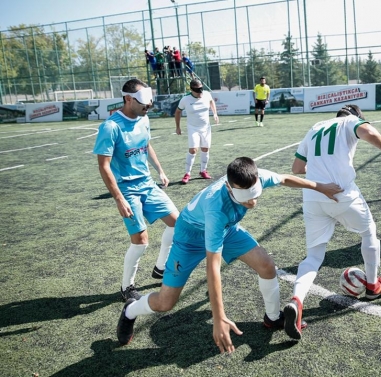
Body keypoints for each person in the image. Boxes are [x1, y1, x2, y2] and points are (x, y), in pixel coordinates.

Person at [116, 157, 343, 353]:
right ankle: (131, 310)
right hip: (190, 237)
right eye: (246, 197)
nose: (252, 201)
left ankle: (273, 318)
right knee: (166, 302)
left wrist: (320, 186)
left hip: (227, 229)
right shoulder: (217, 208)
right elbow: (213, 268)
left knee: (266, 265)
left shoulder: (255, 175)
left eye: (255, 194)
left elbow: (284, 178)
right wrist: (219, 317)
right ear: (229, 187)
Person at [283, 104, 381, 340]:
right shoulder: (350, 122)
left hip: (313, 196)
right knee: (369, 232)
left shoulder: (316, 126)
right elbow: (367, 131)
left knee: (313, 257)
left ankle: (296, 301)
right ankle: (372, 287)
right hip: (341, 194)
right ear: (356, 116)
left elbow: (297, 168)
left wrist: (319, 170)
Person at [93, 78, 179, 301]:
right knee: (141, 241)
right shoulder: (110, 127)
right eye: (144, 104)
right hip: (127, 190)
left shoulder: (144, 118)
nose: (147, 108)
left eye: (149, 104)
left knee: (178, 224)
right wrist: (119, 198)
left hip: (147, 184)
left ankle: (161, 268)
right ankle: (127, 287)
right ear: (128, 99)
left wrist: (160, 170)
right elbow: (104, 166)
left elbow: (146, 145)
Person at [175, 79, 219, 184]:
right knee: (193, 150)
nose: (200, 92)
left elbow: (211, 101)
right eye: (198, 90)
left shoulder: (207, 94)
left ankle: (203, 171)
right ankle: (187, 173)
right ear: (192, 89)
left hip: (206, 128)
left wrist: (215, 113)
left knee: (205, 148)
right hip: (193, 128)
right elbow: (177, 112)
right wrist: (178, 127)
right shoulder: (185, 99)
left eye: (201, 89)